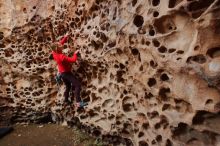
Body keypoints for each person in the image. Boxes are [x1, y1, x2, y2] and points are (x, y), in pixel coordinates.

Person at [51, 33, 87, 108]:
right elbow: (73, 60)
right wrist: (75, 54)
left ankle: (66, 100)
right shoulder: (62, 57)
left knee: (68, 86)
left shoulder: (54, 53)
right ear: (58, 49)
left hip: (61, 73)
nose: (62, 45)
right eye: (61, 46)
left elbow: (60, 44)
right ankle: (78, 102)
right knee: (78, 85)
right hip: (66, 73)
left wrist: (65, 37)